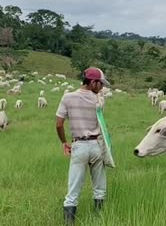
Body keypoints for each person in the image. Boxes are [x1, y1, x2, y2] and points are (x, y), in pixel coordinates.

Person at [55, 67, 111, 225]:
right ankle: (99, 219)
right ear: (93, 82)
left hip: (78, 145)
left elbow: (59, 124)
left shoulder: (68, 97)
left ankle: (69, 223)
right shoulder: (99, 100)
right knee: (99, 187)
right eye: (100, 84)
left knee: (73, 189)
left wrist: (64, 142)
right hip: (96, 146)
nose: (102, 88)